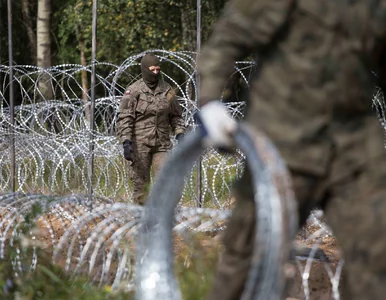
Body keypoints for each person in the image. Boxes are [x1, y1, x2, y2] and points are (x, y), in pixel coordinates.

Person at [196, 1, 386, 299]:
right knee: (249, 258)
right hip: (283, 143)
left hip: (353, 149)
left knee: (376, 254)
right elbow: (229, 37)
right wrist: (209, 101)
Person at [116, 53, 186, 205]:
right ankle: (143, 222)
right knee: (141, 187)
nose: (155, 73)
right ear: (144, 69)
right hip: (140, 144)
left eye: (158, 69)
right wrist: (126, 141)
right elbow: (125, 118)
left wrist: (180, 134)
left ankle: (165, 219)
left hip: (162, 144)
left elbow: (176, 116)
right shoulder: (134, 91)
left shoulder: (167, 90)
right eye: (152, 69)